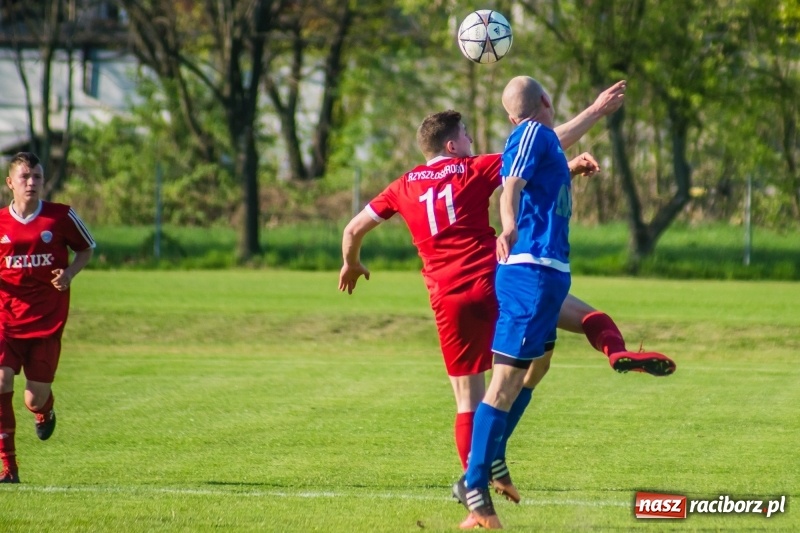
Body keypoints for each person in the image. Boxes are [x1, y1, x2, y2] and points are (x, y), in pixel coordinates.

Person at [338, 82, 673, 501]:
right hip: (495, 280)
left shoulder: (402, 185)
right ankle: (608, 351)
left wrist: (352, 263)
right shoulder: (470, 168)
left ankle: (473, 482)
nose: (472, 140)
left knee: (469, 400)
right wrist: (594, 113)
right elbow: (542, 145)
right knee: (558, 342)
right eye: (466, 135)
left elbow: (353, 229)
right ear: (452, 144)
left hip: (447, 298)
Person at [451, 76, 615, 529]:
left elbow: (539, 178)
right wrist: (507, 227)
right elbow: (512, 186)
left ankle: (491, 462)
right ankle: (475, 491)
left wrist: (571, 168)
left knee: (536, 369)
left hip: (548, 274)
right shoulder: (529, 133)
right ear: (545, 100)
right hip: (529, 272)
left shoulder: (540, 142)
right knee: (503, 384)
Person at [0, 152, 95, 483]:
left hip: (45, 321)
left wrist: (68, 274)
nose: (31, 183)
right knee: (0, 381)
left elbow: (86, 249)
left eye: (37, 177)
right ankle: (8, 467)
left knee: (33, 396)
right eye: (25, 177)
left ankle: (44, 409)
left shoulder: (61, 217)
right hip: (5, 320)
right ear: (10, 182)